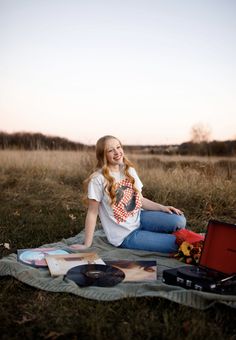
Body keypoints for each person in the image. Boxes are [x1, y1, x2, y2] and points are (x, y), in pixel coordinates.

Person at [78, 135, 186, 253]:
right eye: (110, 150)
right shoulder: (98, 179)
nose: (117, 152)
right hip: (125, 235)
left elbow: (140, 200)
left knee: (179, 220)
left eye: (118, 147)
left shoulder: (128, 170)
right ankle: (152, 237)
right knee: (177, 244)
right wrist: (87, 244)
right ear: (103, 155)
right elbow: (92, 213)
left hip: (140, 218)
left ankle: (153, 233)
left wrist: (163, 208)